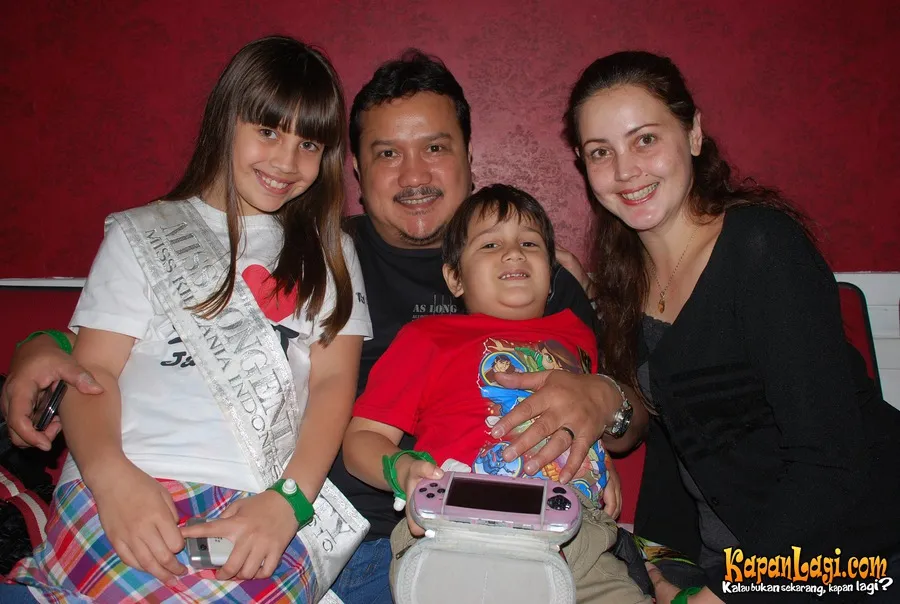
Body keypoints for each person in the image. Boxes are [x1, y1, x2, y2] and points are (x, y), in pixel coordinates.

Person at [1, 50, 646, 603]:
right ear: (357, 168)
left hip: (548, 528)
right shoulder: (333, 251)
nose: (414, 175)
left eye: (435, 148)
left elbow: (636, 423)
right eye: (388, 153)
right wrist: (43, 343)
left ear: (468, 156)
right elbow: (116, 347)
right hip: (366, 541)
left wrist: (606, 398)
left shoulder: (532, 274)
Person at [3, 36, 372, 602]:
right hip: (125, 478)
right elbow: (91, 373)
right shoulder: (141, 233)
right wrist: (111, 477)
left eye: (308, 143)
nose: (286, 161)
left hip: (262, 501)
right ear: (226, 121)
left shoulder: (333, 254)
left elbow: (332, 384)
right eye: (268, 131)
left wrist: (288, 503)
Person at [564, 50, 900, 603]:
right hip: (736, 560)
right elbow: (678, 442)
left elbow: (830, 461)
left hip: (850, 553)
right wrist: (661, 560)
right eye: (602, 152)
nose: (625, 171)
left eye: (645, 139)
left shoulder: (761, 249)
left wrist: (727, 592)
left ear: (693, 133)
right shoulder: (627, 280)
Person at [343, 184, 649, 603]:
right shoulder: (427, 337)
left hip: (577, 533)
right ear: (454, 277)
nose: (514, 253)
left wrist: (600, 459)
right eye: (490, 244)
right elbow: (361, 440)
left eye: (530, 243)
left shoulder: (576, 334)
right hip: (457, 528)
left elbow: (587, 413)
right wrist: (403, 469)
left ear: (550, 272)